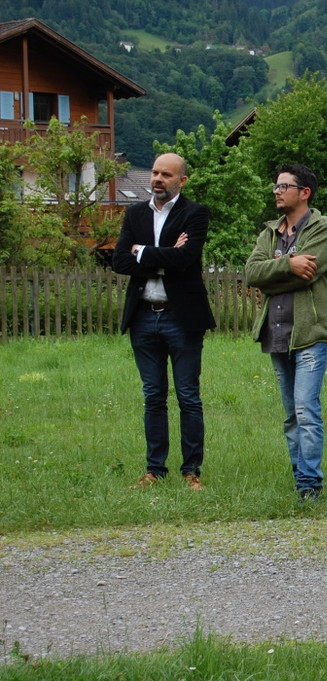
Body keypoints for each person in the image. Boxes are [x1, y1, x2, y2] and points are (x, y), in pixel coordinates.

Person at [111, 152, 216, 491]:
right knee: (153, 396)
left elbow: (186, 258)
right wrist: (164, 256)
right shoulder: (135, 213)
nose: (157, 179)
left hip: (181, 318)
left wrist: (141, 252)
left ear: (181, 181)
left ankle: (191, 471)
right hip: (143, 317)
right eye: (155, 172)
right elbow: (119, 261)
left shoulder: (195, 214)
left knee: (188, 396)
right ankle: (154, 470)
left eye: (166, 175)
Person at [245, 164, 327, 504]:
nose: (276, 191)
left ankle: (310, 485)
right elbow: (251, 272)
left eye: (284, 186)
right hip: (277, 332)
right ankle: (300, 479)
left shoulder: (323, 229)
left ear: (304, 193)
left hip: (312, 332)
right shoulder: (269, 233)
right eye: (276, 185)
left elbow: (309, 274)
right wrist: (288, 264)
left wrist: (272, 277)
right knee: (290, 415)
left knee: (305, 409)